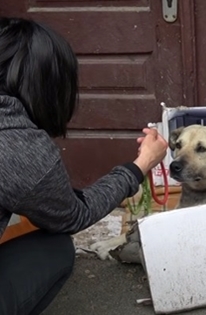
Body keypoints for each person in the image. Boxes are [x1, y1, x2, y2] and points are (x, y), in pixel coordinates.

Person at [0, 17, 168, 315]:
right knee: (55, 249)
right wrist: (141, 164)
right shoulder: (17, 144)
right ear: (44, 85)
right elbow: (73, 215)